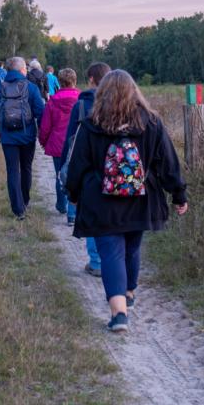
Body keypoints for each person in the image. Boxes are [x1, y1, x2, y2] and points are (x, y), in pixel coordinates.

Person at [64, 70, 189, 332]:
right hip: (141, 200)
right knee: (132, 248)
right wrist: (179, 194)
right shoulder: (151, 123)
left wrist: (73, 196)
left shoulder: (91, 125)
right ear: (134, 91)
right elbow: (168, 163)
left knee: (111, 252)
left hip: (101, 202)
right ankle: (129, 292)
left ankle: (119, 314)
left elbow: (77, 166)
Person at [61, 62, 111, 277]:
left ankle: (97, 262)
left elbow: (71, 140)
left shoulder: (81, 106)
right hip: (117, 168)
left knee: (92, 213)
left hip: (90, 169)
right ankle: (114, 262)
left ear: (91, 79)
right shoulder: (122, 103)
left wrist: (66, 167)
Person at [0, 56, 45, 220]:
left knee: (13, 170)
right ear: (21, 70)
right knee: (26, 168)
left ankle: (18, 209)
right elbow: (40, 111)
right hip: (27, 135)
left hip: (7, 136)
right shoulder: (31, 88)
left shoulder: (0, 88)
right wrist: (41, 131)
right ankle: (25, 201)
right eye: (25, 69)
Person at [38, 68, 80, 225]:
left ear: (60, 82)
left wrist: (43, 141)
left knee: (60, 175)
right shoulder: (81, 98)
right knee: (77, 176)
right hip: (78, 143)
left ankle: (61, 205)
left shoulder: (53, 101)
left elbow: (45, 126)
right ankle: (72, 212)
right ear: (74, 81)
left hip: (58, 144)